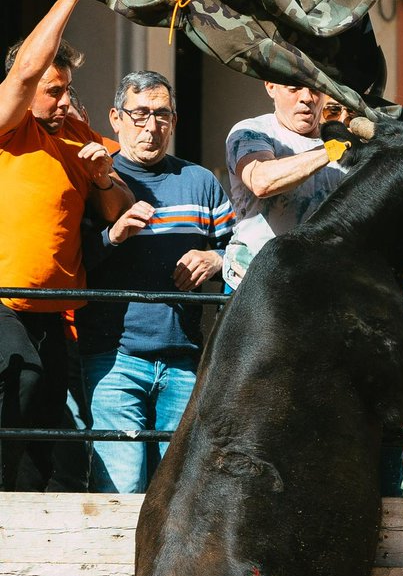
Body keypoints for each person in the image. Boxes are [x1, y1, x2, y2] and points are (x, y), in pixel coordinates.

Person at [0, 0, 132, 491]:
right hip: (4, 301)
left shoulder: (79, 136)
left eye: (66, 90)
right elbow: (27, 70)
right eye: (53, 90)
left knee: (52, 442)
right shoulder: (10, 129)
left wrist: (103, 178)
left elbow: (118, 209)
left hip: (58, 316)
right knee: (19, 393)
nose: (62, 100)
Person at [78, 70, 234, 492]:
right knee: (122, 489)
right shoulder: (95, 179)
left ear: (174, 121)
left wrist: (216, 258)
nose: (152, 127)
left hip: (184, 359)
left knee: (179, 494)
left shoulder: (200, 182)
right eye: (140, 114)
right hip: (113, 361)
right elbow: (73, 260)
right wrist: (112, 235)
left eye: (162, 115)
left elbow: (244, 249)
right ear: (115, 118)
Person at [223, 82, 346, 288]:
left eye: (315, 90)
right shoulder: (251, 132)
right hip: (253, 288)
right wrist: (330, 150)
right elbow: (262, 181)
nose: (307, 97)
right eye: (294, 88)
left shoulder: (342, 141)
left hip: (321, 289)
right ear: (271, 87)